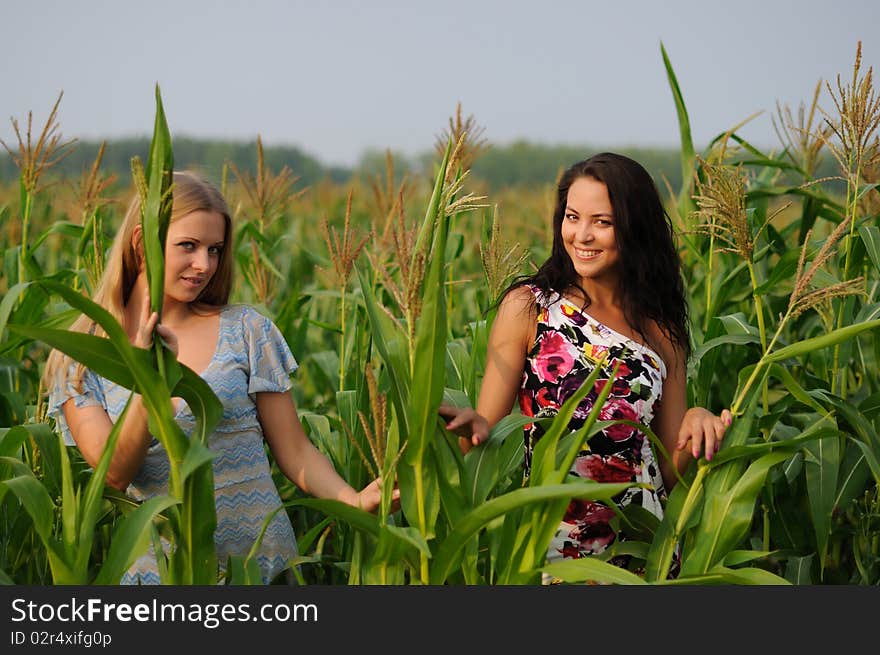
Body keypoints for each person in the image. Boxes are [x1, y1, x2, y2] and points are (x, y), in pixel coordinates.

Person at [44, 171, 395, 584]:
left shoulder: (247, 331)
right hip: (164, 576)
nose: (204, 265)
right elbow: (115, 471)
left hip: (260, 570)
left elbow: (295, 452)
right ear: (142, 243)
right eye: (188, 246)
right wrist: (151, 382)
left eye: (214, 249)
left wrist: (352, 500)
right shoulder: (81, 355)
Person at [441, 152, 731, 570]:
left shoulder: (662, 332)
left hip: (640, 552)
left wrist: (698, 422)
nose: (582, 235)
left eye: (603, 222)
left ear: (635, 228)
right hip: (553, 549)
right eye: (573, 217)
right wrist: (469, 427)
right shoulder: (531, 308)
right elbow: (484, 436)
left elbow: (668, 474)